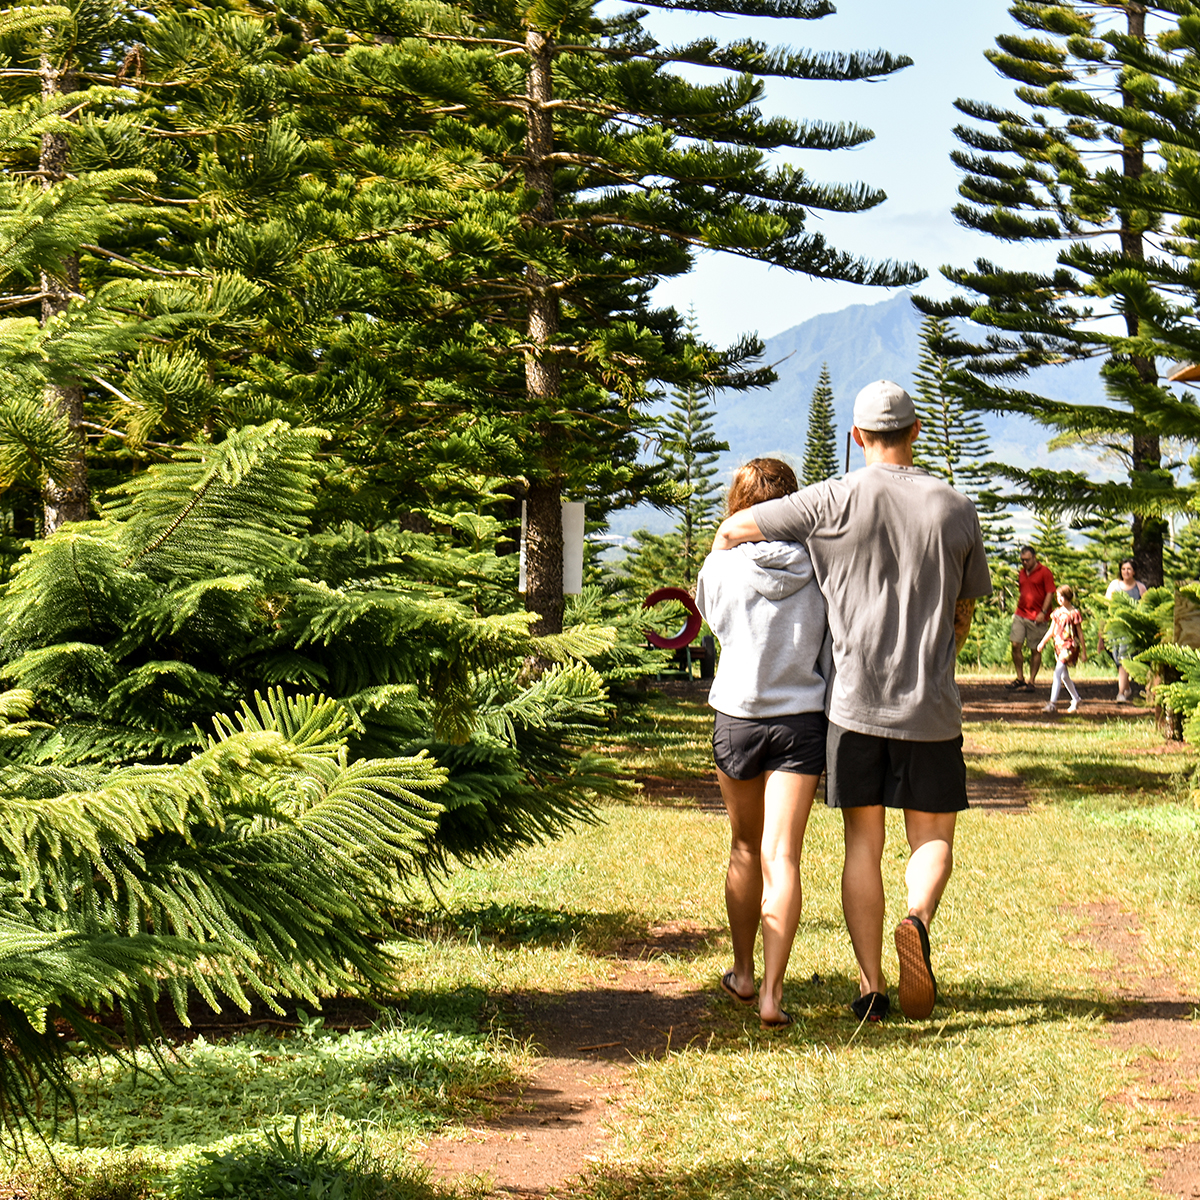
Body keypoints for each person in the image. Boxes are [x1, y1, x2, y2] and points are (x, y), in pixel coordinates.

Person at [712, 380, 991, 1022]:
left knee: (862, 842)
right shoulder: (956, 507)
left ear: (858, 438)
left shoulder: (830, 499)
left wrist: (726, 558)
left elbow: (739, 525)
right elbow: (963, 609)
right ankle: (916, 919)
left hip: (854, 706)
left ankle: (870, 985)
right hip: (931, 705)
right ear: (916, 432)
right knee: (931, 837)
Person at [694, 458, 832, 1029]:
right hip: (801, 720)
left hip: (739, 716)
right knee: (784, 857)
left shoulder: (723, 566)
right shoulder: (823, 567)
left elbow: (713, 622)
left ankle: (744, 974)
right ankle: (774, 996)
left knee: (745, 848)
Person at [1098, 559, 1147, 702]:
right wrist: (1101, 634)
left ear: (1134, 571)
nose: (1126, 572)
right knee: (1117, 658)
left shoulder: (1140, 588)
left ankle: (1120, 693)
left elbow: (1146, 609)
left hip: (1130, 630)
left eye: (1129, 569)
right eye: (1124, 569)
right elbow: (1105, 608)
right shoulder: (1114, 586)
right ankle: (1126, 688)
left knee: (1123, 660)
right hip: (1114, 629)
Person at [1007, 546, 1055, 693]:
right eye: (1022, 560)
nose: (1024, 562)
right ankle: (1019, 677)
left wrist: (1043, 612)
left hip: (1038, 617)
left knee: (1035, 649)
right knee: (1015, 644)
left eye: (1027, 560)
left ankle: (1031, 680)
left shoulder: (1045, 572)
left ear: (1034, 557)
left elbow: (1050, 593)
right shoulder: (1021, 573)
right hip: (1021, 613)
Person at [1036, 585, 1086, 714]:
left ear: (1068, 597)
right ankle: (1076, 698)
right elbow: (1051, 630)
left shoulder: (1074, 613)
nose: (1059, 599)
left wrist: (1084, 652)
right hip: (1058, 646)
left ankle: (1052, 703)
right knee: (1064, 676)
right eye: (1057, 597)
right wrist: (1042, 643)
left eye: (1061, 596)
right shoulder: (1057, 613)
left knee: (1057, 672)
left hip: (1069, 646)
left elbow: (1080, 633)